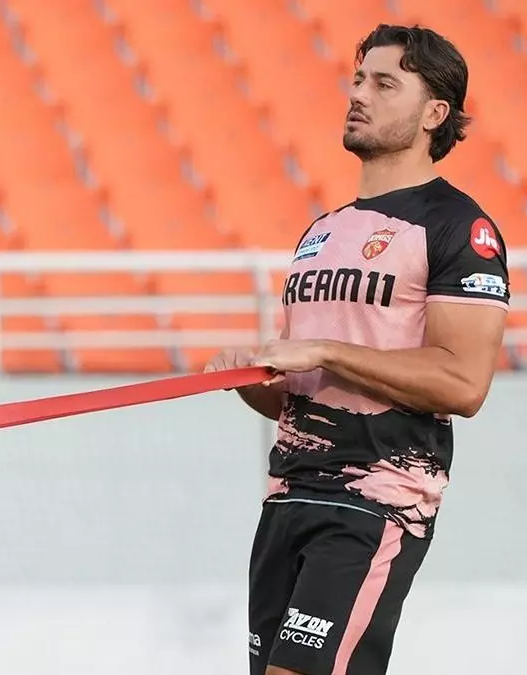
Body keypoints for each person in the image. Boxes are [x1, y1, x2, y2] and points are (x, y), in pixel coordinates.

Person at [205, 24, 509, 675]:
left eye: (384, 83)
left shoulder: (459, 226)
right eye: (358, 79)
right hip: (288, 495)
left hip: (374, 501)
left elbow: (463, 384)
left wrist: (325, 349)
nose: (359, 94)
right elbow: (307, 394)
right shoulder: (322, 232)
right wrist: (251, 380)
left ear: (435, 113)